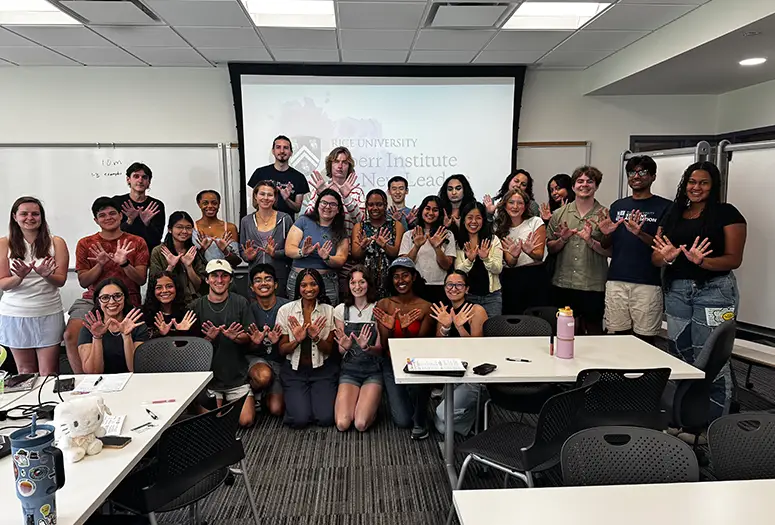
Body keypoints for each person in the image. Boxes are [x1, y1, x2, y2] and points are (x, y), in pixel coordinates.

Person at [652, 161, 746, 421]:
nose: (696, 187)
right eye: (692, 182)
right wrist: (667, 257)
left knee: (712, 359)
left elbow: (734, 259)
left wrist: (703, 262)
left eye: (704, 183)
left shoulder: (727, 214)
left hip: (715, 291)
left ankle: (716, 425)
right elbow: (656, 258)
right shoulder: (673, 214)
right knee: (680, 357)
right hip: (677, 291)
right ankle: (683, 419)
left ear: (713, 186)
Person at [64, 197, 149, 374]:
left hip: (126, 298)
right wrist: (99, 265)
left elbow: (141, 279)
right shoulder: (85, 243)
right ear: (96, 220)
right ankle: (82, 379)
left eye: (112, 213)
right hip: (93, 298)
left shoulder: (137, 242)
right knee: (70, 334)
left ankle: (131, 373)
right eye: (102, 215)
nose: (108, 217)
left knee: (130, 331)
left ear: (121, 215)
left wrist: (124, 263)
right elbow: (84, 282)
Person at [599, 155, 671, 344]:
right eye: (632, 172)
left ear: (653, 176)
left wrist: (640, 233)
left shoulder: (665, 207)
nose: (636, 176)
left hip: (647, 282)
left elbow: (663, 247)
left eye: (642, 172)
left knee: (645, 339)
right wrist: (606, 234)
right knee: (617, 336)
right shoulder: (618, 206)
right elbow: (607, 244)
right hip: (616, 280)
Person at [0, 197, 68, 376]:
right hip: (15, 314)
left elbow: (61, 280)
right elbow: (3, 283)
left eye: (35, 214)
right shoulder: (4, 243)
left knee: (49, 372)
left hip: (48, 311)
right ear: (15, 217)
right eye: (24, 214)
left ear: (41, 217)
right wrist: (19, 277)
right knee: (25, 372)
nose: (30, 218)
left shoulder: (56, 242)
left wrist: (46, 275)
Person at [189, 259, 256, 427]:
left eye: (224, 276)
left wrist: (236, 337)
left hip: (236, 377)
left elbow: (249, 336)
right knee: (212, 424)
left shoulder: (240, 302)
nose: (219, 280)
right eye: (214, 276)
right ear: (207, 279)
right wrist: (208, 340)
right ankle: (220, 405)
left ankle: (230, 404)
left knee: (246, 421)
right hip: (209, 380)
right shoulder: (196, 306)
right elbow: (190, 349)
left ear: (230, 279)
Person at [374, 257, 434, 439]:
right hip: (391, 362)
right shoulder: (384, 304)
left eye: (405, 275)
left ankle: (421, 407)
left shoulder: (426, 307)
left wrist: (406, 329)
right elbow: (385, 346)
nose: (401, 281)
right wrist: (391, 329)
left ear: (414, 277)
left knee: (418, 396)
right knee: (403, 420)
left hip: (416, 362)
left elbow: (419, 346)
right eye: (396, 276)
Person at [546, 166, 609, 335]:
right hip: (563, 283)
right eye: (580, 181)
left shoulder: (605, 215)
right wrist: (563, 239)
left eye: (590, 181)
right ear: (573, 186)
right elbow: (550, 248)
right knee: (565, 331)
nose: (584, 185)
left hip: (593, 284)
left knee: (594, 331)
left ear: (596, 186)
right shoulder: (559, 214)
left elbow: (610, 251)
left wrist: (590, 241)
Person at [276, 268, 338, 428]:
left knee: (325, 419)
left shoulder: (329, 311)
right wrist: (297, 341)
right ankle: (299, 404)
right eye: (304, 285)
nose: (309, 289)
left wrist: (316, 338)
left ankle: (311, 401)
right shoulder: (286, 311)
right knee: (300, 420)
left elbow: (329, 350)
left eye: (313, 284)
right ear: (298, 287)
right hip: (294, 372)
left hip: (322, 371)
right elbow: (282, 350)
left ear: (320, 286)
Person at [430, 270, 487, 436]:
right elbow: (438, 346)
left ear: (467, 289)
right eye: (449, 284)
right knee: (442, 427)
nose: (453, 288)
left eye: (459, 285)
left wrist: (460, 327)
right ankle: (472, 416)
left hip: (473, 377)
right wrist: (446, 326)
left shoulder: (476, 310)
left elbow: (478, 350)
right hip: (453, 373)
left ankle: (479, 411)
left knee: (441, 416)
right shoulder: (444, 310)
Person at [333, 265, 383, 432]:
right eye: (353, 282)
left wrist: (367, 347)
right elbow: (341, 351)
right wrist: (345, 347)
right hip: (349, 371)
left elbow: (380, 349)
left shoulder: (378, 308)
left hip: (372, 371)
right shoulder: (341, 310)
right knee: (342, 424)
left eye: (362, 282)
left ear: (369, 283)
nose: (357, 286)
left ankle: (372, 406)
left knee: (360, 424)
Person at [285, 189, 349, 304]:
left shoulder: (340, 230)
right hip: (299, 279)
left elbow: (341, 259)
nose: (327, 207)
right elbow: (289, 249)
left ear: (338, 209)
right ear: (317, 205)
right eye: (324, 203)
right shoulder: (303, 221)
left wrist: (327, 258)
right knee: (296, 313)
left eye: (333, 204)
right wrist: (302, 252)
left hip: (327, 282)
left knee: (327, 314)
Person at [494, 188, 548, 315]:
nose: (515, 206)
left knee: (536, 318)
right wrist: (515, 256)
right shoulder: (500, 228)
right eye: (511, 202)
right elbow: (510, 263)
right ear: (505, 205)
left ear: (525, 206)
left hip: (535, 276)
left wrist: (529, 252)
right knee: (513, 318)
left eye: (520, 203)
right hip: (511, 278)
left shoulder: (535, 222)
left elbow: (539, 256)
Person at [78, 278, 148, 374]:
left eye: (117, 296)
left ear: (125, 298)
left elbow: (135, 368)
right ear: (98, 301)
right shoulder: (90, 328)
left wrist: (126, 336)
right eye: (105, 297)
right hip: (101, 381)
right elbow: (93, 372)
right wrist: (97, 337)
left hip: (132, 379)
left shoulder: (137, 326)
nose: (111, 302)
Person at [245, 263, 288, 417]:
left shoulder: (287, 306)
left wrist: (280, 341)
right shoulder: (248, 309)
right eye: (258, 280)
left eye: (268, 279)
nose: (263, 283)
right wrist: (255, 343)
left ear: (275, 285)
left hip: (279, 362)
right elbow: (244, 348)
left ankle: (263, 395)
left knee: (276, 409)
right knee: (263, 376)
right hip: (257, 361)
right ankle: (251, 389)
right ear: (252, 287)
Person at [398, 195, 455, 305]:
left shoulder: (447, 235)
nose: (430, 213)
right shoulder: (409, 234)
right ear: (421, 210)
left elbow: (447, 265)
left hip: (440, 287)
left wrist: (437, 247)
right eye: (427, 208)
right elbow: (403, 266)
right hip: (414, 287)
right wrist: (416, 246)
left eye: (435, 210)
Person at [240, 180, 292, 297]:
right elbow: (242, 250)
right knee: (255, 306)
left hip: (278, 277)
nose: (266, 198)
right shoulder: (246, 221)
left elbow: (291, 250)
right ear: (255, 196)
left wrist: (275, 253)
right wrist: (247, 257)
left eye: (270, 195)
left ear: (275, 198)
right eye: (262, 194)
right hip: (255, 278)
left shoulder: (285, 219)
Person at [351, 189, 405, 299]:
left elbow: (397, 254)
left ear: (385, 205)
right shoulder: (359, 227)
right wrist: (362, 247)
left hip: (390, 280)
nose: (375, 208)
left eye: (379, 204)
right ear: (366, 206)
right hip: (365, 282)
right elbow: (355, 255)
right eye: (371, 205)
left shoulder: (396, 226)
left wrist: (385, 246)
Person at [454, 201, 503, 318]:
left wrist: (486, 258)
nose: (474, 222)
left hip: (492, 297)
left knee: (493, 328)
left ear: (484, 220)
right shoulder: (458, 242)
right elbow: (457, 273)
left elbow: (498, 269)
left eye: (478, 218)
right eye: (470, 217)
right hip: (467, 297)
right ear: (463, 220)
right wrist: (469, 260)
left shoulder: (493, 240)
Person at [149, 211, 206, 305]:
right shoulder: (159, 251)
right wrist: (170, 267)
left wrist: (189, 267)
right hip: (168, 302)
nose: (184, 231)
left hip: (193, 301)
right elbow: (154, 284)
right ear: (170, 229)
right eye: (179, 227)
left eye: (188, 228)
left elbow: (199, 285)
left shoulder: (193, 250)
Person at [305, 146, 364, 235]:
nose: (340, 166)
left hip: (348, 240)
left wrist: (347, 198)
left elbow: (361, 221)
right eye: (336, 162)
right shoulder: (320, 188)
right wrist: (320, 195)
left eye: (344, 162)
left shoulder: (357, 191)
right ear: (330, 165)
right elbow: (307, 218)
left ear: (349, 166)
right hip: (321, 240)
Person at [247, 135, 310, 219]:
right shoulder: (260, 173)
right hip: (263, 222)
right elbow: (254, 203)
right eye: (278, 147)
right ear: (273, 151)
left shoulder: (299, 177)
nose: (282, 151)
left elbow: (297, 208)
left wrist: (286, 199)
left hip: (287, 223)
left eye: (286, 148)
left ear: (291, 152)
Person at [114, 162, 166, 252]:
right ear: (128, 180)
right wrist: (130, 221)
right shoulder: (117, 202)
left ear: (149, 182)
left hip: (147, 252)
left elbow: (156, 239)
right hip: (121, 251)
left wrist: (147, 223)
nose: (140, 180)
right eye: (136, 176)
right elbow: (112, 234)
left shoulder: (156, 205)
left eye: (144, 177)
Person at [193, 190, 242, 268]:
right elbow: (191, 260)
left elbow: (237, 261)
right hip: (201, 274)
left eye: (214, 203)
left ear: (219, 204)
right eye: (205, 203)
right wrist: (202, 250)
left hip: (225, 273)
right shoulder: (192, 229)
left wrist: (225, 251)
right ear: (199, 204)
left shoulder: (230, 228)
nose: (210, 206)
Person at [142, 271, 198, 339]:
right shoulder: (144, 314)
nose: (165, 291)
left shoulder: (187, 315)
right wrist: (160, 334)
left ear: (176, 288)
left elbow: (196, 343)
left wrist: (182, 333)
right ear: (152, 291)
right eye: (159, 287)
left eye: (169, 286)